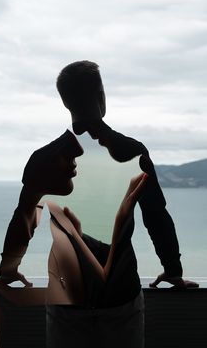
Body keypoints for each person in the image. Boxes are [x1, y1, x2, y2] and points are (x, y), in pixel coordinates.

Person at [0, 129, 148, 347]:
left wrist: (8, 272)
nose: (76, 171)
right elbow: (24, 221)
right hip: (114, 295)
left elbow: (24, 220)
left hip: (79, 296)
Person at [56, 60, 199, 289]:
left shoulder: (49, 156)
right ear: (101, 96)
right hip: (120, 290)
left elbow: (24, 220)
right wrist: (173, 270)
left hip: (68, 291)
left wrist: (8, 272)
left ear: (65, 102)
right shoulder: (132, 151)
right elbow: (155, 216)